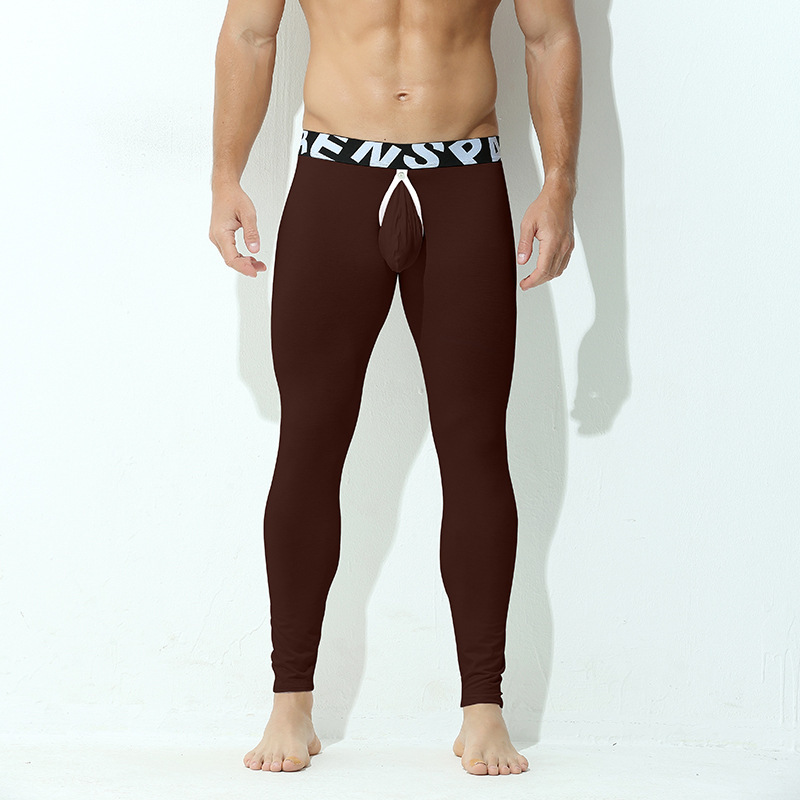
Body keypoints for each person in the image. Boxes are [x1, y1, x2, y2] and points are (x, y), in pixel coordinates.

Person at [208, 0, 581, 777]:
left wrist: (560, 185)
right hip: (334, 179)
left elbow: (549, 35)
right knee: (309, 441)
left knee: (475, 446)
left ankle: (483, 708)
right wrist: (224, 177)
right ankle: (291, 699)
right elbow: (250, 31)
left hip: (464, 179)